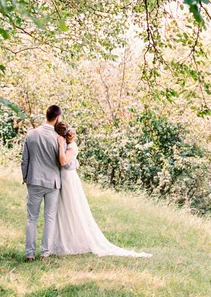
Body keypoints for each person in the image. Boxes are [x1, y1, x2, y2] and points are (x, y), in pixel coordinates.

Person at [50, 123, 152, 258]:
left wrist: (59, 145)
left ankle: (75, 241)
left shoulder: (71, 147)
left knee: (73, 208)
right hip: (61, 178)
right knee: (62, 210)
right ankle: (63, 240)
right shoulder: (64, 145)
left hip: (68, 180)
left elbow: (63, 162)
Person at [21, 105, 62, 262]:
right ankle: (45, 253)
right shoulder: (58, 138)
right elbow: (62, 161)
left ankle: (29, 254)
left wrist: (26, 178)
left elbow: (25, 160)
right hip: (52, 183)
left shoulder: (31, 134)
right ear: (57, 118)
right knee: (49, 217)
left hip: (34, 180)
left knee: (31, 218)